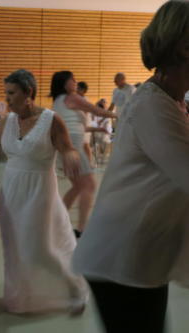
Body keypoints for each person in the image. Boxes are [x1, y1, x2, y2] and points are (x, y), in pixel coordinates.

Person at [73, 2, 189, 333]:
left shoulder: (171, 101)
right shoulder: (153, 106)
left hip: (144, 253)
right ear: (184, 46)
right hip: (120, 256)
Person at [0, 69, 88, 314]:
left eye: (11, 93)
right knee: (16, 249)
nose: (7, 99)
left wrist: (72, 156)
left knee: (40, 249)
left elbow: (67, 148)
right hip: (11, 192)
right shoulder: (8, 121)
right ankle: (24, 296)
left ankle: (74, 286)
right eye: (6, 93)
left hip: (40, 191)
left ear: (28, 92)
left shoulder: (51, 120)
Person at [50, 71, 116, 237]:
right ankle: (81, 228)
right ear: (65, 83)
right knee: (89, 185)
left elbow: (76, 126)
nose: (75, 81)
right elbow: (97, 111)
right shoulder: (72, 98)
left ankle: (57, 222)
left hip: (65, 147)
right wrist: (118, 115)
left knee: (79, 186)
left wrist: (97, 128)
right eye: (72, 79)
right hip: (73, 148)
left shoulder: (58, 101)